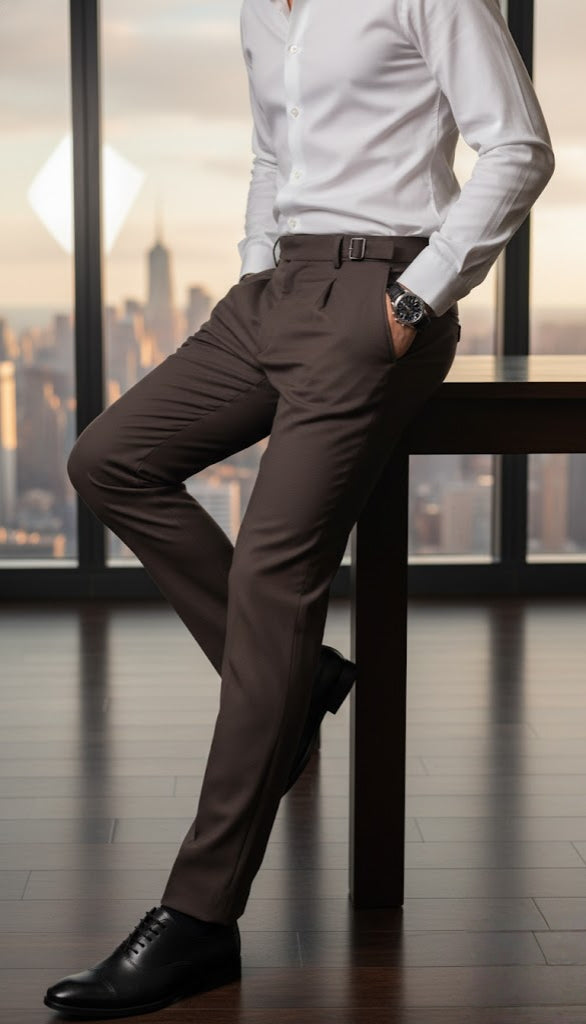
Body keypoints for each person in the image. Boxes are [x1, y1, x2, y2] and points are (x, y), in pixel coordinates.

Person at [44, 0, 554, 1016]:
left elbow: (518, 146)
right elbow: (271, 153)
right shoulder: (262, 8)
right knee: (108, 458)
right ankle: (299, 677)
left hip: (381, 290)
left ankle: (198, 919)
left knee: (274, 574)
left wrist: (414, 299)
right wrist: (252, 269)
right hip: (273, 289)